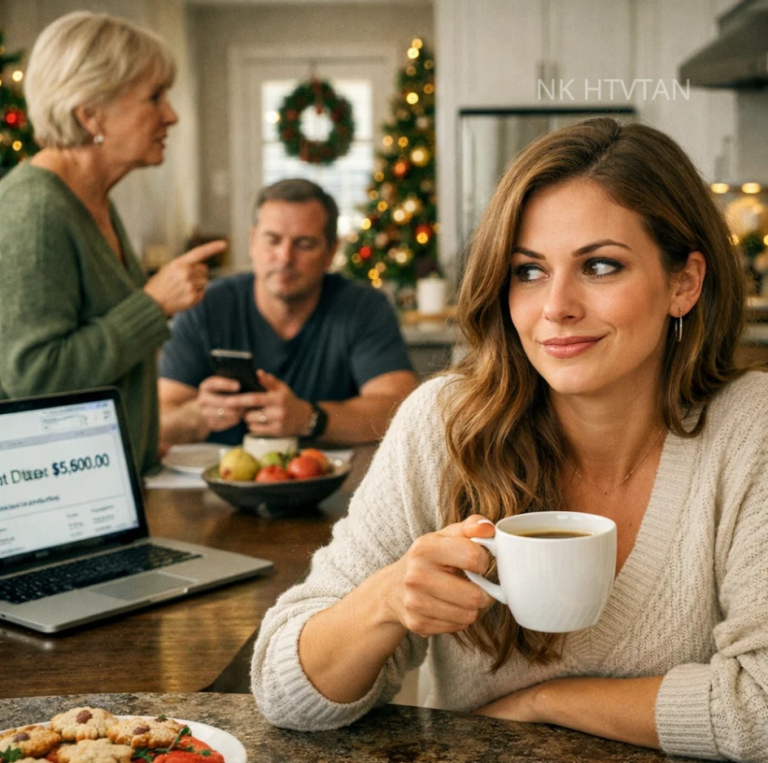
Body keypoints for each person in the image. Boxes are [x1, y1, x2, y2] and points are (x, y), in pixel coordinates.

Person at [251, 117, 768, 762]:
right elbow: (283, 687)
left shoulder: (752, 432)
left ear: (683, 283)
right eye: (528, 272)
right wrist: (387, 600)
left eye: (600, 266)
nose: (555, 306)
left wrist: (543, 704)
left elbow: (763, 706)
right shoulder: (442, 425)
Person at [0, 11, 225, 474]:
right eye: (154, 97)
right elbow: (35, 381)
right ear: (90, 114)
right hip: (57, 510)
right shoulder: (36, 209)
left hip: (115, 494)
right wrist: (153, 303)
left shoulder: (94, 199)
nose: (171, 115)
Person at [158, 178, 418, 446]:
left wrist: (309, 418)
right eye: (272, 240)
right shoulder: (204, 307)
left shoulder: (365, 308)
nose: (285, 257)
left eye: (304, 244)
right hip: (220, 482)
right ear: (252, 242)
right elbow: (159, 423)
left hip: (335, 484)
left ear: (331, 252)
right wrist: (201, 415)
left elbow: (398, 410)